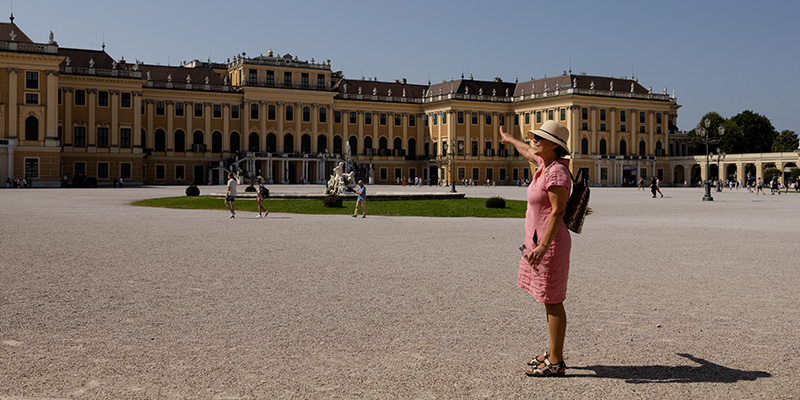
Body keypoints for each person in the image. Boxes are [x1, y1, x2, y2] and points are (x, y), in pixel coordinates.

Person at [499, 120, 572, 377]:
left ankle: (556, 361)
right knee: (546, 299)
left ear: (554, 145)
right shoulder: (545, 165)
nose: (535, 140)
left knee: (553, 300)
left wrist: (542, 246)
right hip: (540, 243)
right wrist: (510, 140)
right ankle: (553, 352)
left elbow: (558, 211)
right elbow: (528, 152)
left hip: (549, 245)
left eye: (540, 137)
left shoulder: (557, 173)